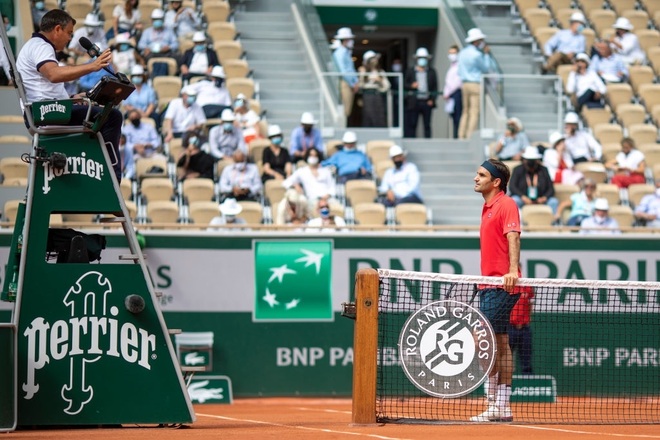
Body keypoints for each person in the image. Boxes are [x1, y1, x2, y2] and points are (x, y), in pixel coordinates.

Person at [16, 9, 124, 182]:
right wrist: (92, 66)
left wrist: (73, 98)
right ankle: (112, 179)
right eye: (69, 33)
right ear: (57, 29)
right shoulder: (40, 46)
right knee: (112, 117)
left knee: (98, 111)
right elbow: (54, 74)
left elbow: (45, 86)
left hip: (47, 110)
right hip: (45, 114)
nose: (70, 39)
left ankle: (92, 169)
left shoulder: (37, 46)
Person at [471, 158, 522, 423]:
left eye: (481, 175)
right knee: (500, 343)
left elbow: (513, 235)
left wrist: (512, 271)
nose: (475, 178)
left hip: (502, 285)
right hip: (488, 285)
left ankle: (493, 402)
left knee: (482, 339)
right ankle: (502, 406)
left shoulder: (507, 204)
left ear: (496, 181)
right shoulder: (486, 207)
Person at [457, 28, 496, 140]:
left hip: (465, 84)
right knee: (474, 112)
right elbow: (486, 68)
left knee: (465, 111)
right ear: (476, 41)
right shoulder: (477, 55)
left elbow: (459, 70)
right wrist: (487, 55)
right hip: (475, 84)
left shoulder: (462, 53)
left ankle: (461, 135)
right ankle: (469, 136)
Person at [509, 146, 559, 214]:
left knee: (553, 201)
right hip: (523, 198)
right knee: (514, 200)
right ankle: (517, 221)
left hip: (541, 198)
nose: (531, 164)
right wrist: (523, 197)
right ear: (524, 160)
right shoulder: (518, 169)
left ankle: (554, 222)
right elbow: (512, 186)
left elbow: (551, 188)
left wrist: (544, 198)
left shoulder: (544, 170)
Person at [404, 47, 438, 138]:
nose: (422, 60)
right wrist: (412, 86)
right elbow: (404, 84)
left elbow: (435, 87)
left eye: (424, 58)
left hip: (426, 102)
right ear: (416, 59)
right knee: (412, 124)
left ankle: (428, 142)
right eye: (420, 58)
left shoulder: (432, 72)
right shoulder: (410, 71)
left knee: (427, 124)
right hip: (414, 101)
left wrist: (432, 99)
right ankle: (412, 141)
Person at [332, 27, 359, 121]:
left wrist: (355, 81)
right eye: (350, 39)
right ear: (345, 40)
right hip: (345, 82)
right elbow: (343, 71)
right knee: (345, 109)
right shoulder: (339, 53)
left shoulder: (345, 52)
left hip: (349, 82)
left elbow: (350, 69)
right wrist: (352, 83)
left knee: (348, 108)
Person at [358, 51, 390, 128]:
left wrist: (380, 80)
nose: (374, 61)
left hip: (377, 95)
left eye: (375, 59)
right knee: (368, 116)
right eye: (372, 59)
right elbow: (360, 85)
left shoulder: (380, 72)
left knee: (379, 116)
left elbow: (387, 86)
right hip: (367, 96)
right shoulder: (364, 71)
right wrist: (362, 75)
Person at [508, 288, 534, 375]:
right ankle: (504, 384)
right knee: (506, 358)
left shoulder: (528, 287)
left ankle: (528, 382)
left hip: (525, 329)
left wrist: (527, 320)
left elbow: (530, 303)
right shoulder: (508, 285)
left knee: (526, 358)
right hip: (510, 328)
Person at [442, 45, 462, 139]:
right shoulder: (452, 66)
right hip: (450, 95)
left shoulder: (460, 66)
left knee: (458, 117)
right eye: (450, 53)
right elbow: (448, 82)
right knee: (453, 117)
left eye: (454, 53)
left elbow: (457, 82)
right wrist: (446, 93)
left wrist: (448, 93)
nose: (452, 55)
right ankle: (455, 136)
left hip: (456, 93)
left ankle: (457, 136)